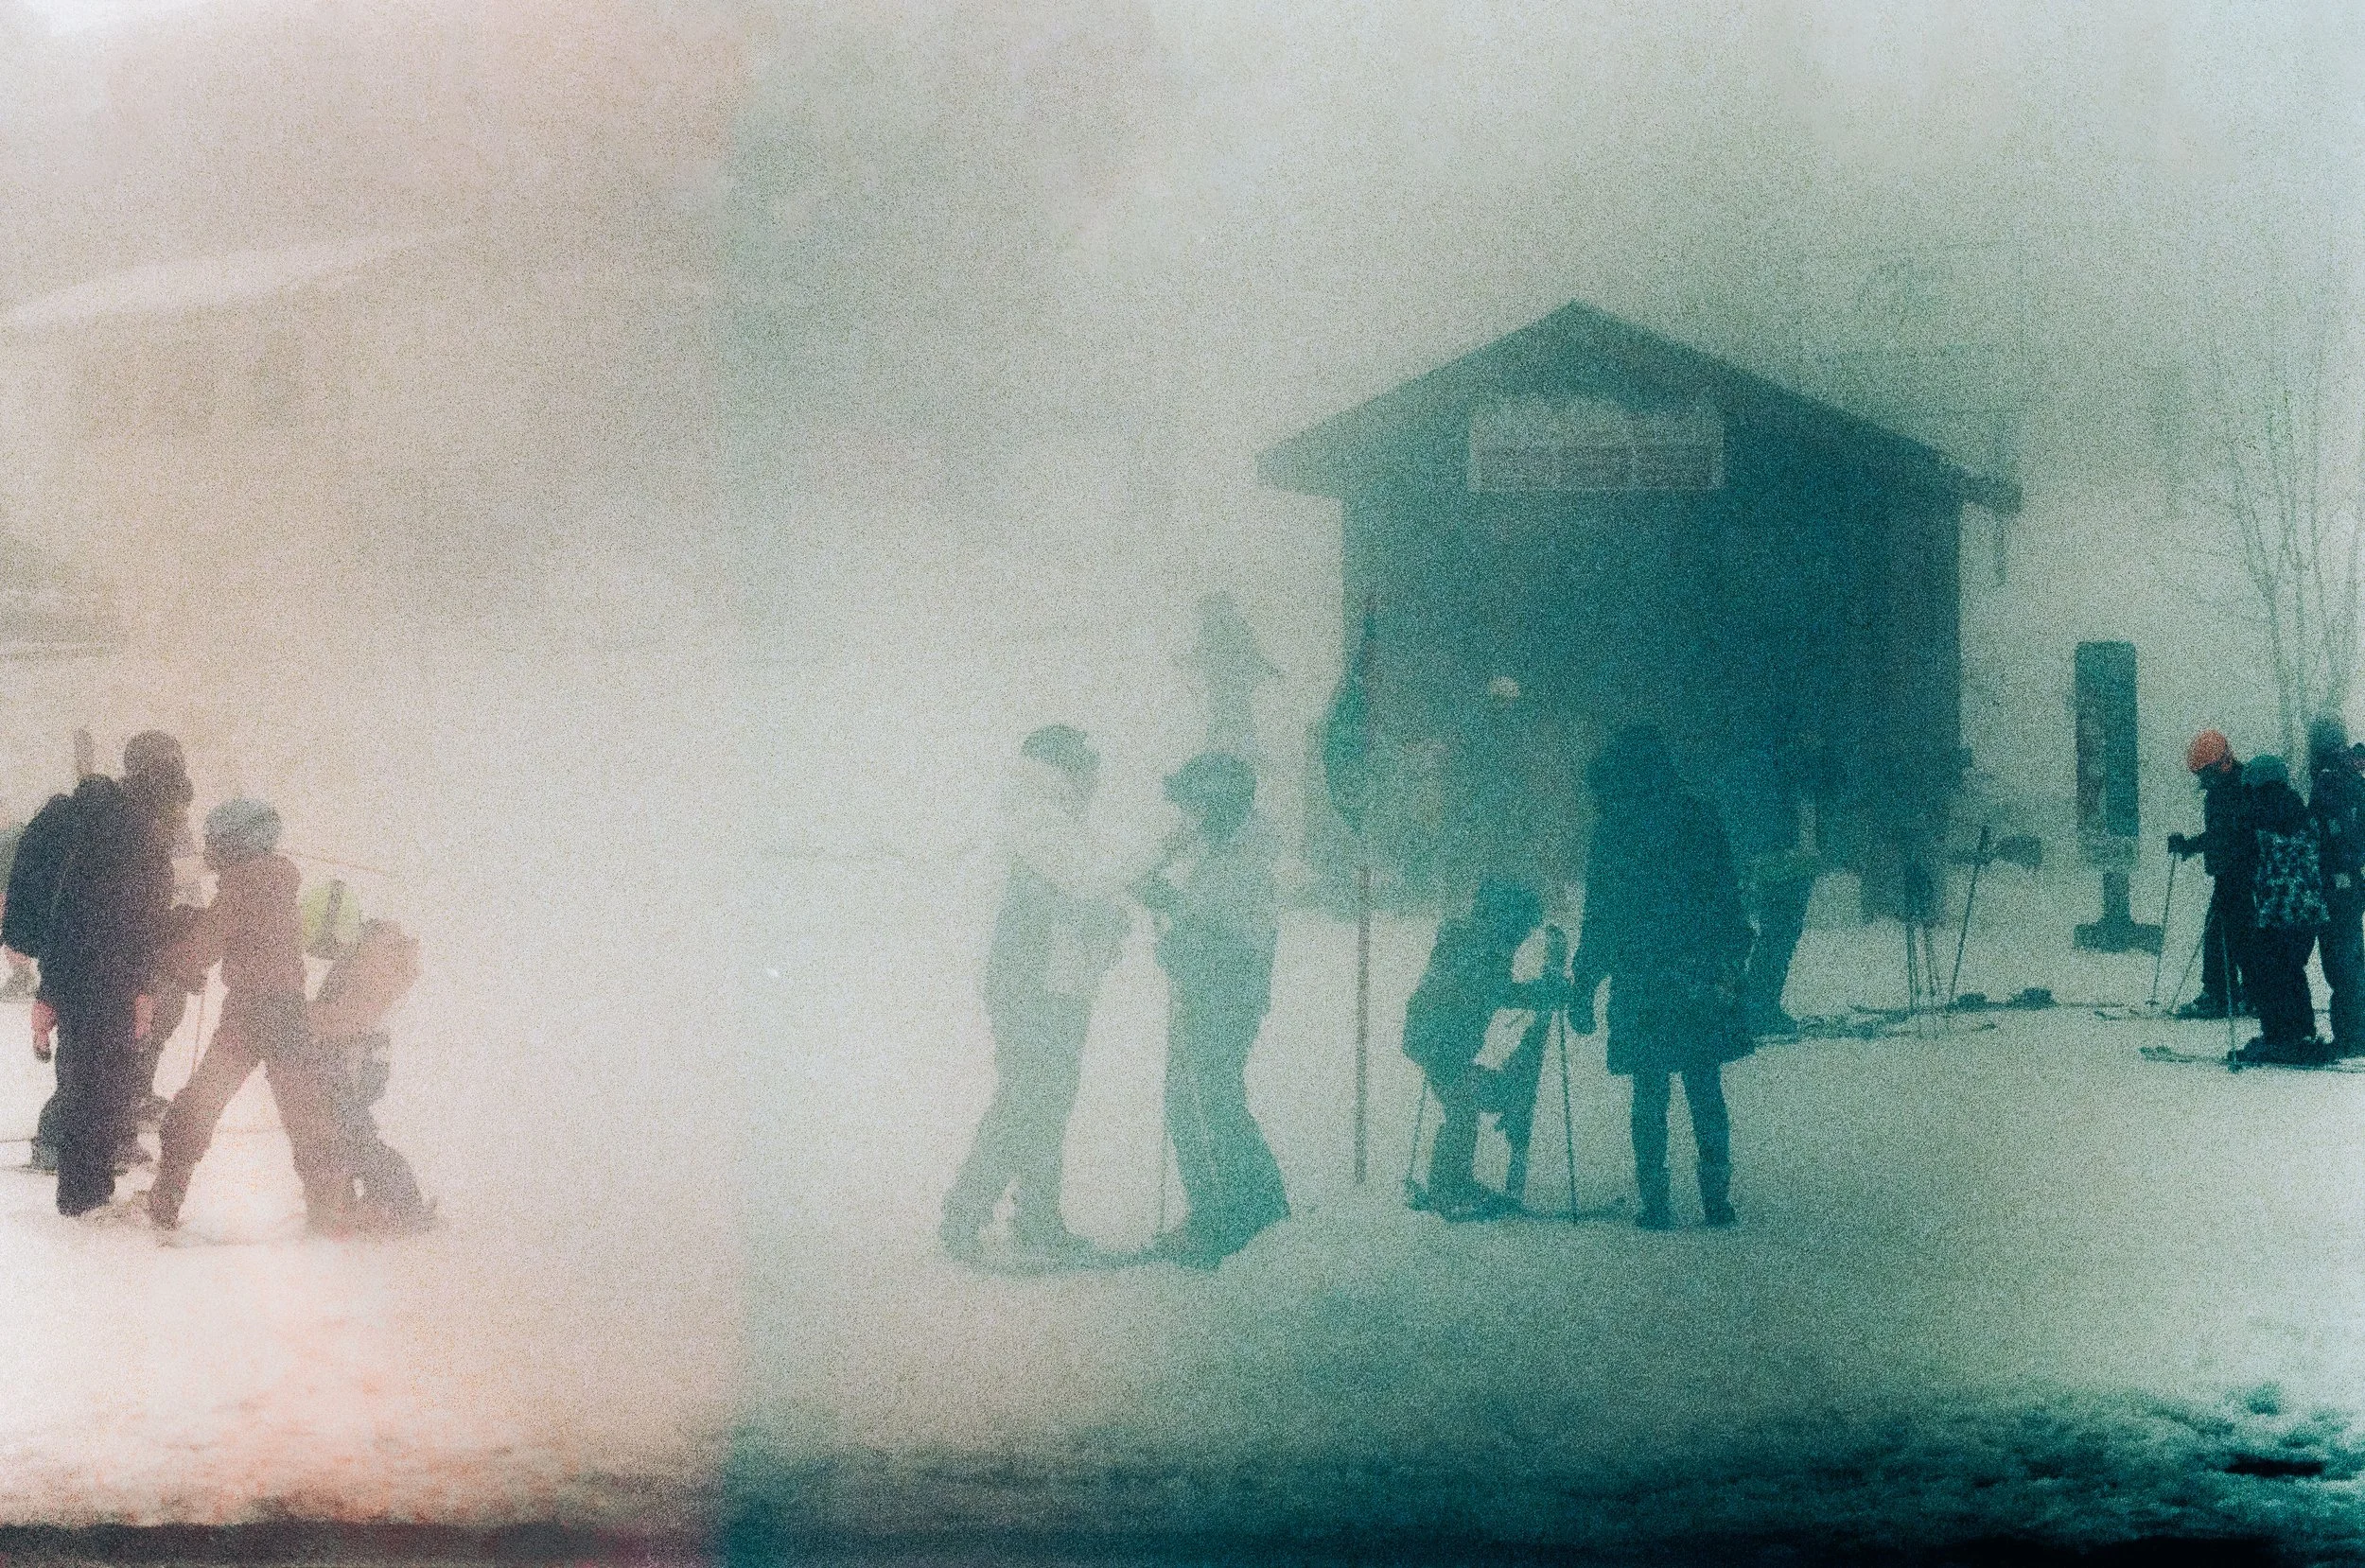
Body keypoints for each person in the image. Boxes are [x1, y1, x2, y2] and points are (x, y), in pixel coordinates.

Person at [940, 725, 1132, 1268]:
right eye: (1087, 766)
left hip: (1051, 977)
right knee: (1029, 1096)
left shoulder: (1052, 816)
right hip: (1035, 978)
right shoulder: (1041, 818)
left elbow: (1090, 891)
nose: (1096, 778)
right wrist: (1114, 907)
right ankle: (968, 1214)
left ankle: (1036, 1219)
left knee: (1043, 1098)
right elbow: (1087, 888)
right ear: (1065, 769)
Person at [1568, 724, 1755, 1230]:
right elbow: (1725, 891)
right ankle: (1716, 1196)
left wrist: (1584, 982)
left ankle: (1655, 1198)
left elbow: (1601, 913)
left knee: (1649, 1090)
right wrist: (1733, 953)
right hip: (1697, 971)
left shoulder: (1616, 829)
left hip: (1642, 975)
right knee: (1704, 1083)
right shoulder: (1699, 817)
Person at [145, 799, 351, 1232]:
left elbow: (206, 941)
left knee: (197, 1108)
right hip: (290, 1010)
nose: (210, 849)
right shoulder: (277, 879)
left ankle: (163, 1202)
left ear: (237, 843)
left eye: (216, 840)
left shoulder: (243, 884)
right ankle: (331, 1208)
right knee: (306, 1114)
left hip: (251, 1012)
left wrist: (170, 959)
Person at [23, 731, 190, 1214]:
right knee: (94, 1086)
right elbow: (100, 914)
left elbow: (123, 915)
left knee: (98, 1082)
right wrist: (136, 981)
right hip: (101, 976)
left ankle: (87, 1190)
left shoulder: (124, 822)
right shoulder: (123, 830)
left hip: (94, 974)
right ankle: (84, 1199)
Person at [1138, 751, 1288, 1267]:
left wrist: (1179, 929)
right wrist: (1171, 904)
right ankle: (1259, 1205)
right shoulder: (1226, 843)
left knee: (1199, 1100)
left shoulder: (1244, 856)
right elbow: (1210, 916)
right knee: (1211, 1096)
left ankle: (1221, 1216)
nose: (1188, 817)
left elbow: (1238, 935)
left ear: (1219, 803)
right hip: (1216, 991)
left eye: (1195, 805)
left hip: (1223, 994)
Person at [1400, 879, 1559, 1220]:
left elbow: (1490, 990)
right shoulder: (1479, 944)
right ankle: (1447, 1189)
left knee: (1465, 1107)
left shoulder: (1476, 939)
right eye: (1522, 928)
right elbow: (1492, 990)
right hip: (1439, 1040)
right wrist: (1541, 993)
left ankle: (1454, 1182)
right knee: (1461, 1113)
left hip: (1441, 1039)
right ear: (1507, 919)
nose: (1523, 937)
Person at [310, 916, 430, 1231]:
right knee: (348, 1134)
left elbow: (346, 1016)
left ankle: (403, 1208)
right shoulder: (373, 961)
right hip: (354, 1059)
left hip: (350, 1059)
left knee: (353, 1138)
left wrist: (300, 1018)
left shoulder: (372, 963)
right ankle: (381, 1205)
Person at [1714, 724, 1832, 1038]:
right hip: (1787, 862)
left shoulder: (1760, 765)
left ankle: (1756, 1004)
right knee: (1779, 937)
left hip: (1774, 860)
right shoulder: (1793, 766)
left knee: (1773, 936)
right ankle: (1760, 1007)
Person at [2232, 756, 2328, 1064]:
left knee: (2269, 973)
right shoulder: (2298, 809)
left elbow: (2243, 853)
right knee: (2291, 971)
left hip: (2277, 906)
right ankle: (2301, 1034)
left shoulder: (2258, 811)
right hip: (2307, 909)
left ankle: (2279, 1036)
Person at [2167, 729, 2251, 1020]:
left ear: (2221, 763)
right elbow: (2218, 834)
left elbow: (2231, 834)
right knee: (2239, 934)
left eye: (2206, 772)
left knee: (2221, 935)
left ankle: (2219, 994)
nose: (2203, 780)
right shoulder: (2222, 789)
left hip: (2239, 875)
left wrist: (2201, 847)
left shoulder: (2238, 788)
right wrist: (2190, 845)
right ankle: (2248, 992)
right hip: (2231, 873)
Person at [2304, 716, 2365, 1057]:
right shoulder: (2354, 776)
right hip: (2353, 881)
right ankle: (2357, 1030)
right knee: (2352, 957)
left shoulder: (2330, 781)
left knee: (2341, 961)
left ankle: (2352, 1035)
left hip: (2335, 881)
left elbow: (2327, 832)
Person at [1180, 592, 1279, 764]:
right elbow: (1251, 653)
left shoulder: (1214, 628)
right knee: (1237, 718)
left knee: (1223, 718)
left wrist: (1186, 660)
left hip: (1224, 684)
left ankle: (1216, 756)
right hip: (1233, 683)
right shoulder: (1234, 626)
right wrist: (1268, 668)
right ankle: (1245, 754)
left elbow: (1204, 654)